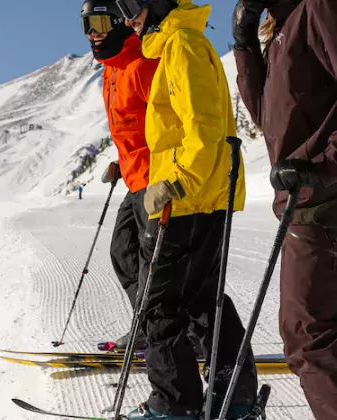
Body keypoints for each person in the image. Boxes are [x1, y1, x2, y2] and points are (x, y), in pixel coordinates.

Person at [113, 0, 258, 418]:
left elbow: (204, 126)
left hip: (187, 199)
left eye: (131, 5)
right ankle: (235, 397)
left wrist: (174, 182)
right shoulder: (182, 44)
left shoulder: (181, 46)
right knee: (200, 301)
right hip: (199, 196)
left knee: (158, 306)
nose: (127, 18)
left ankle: (173, 406)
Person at [232, 0, 337, 418]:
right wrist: (244, 44)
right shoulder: (284, 24)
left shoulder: (318, 8)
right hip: (308, 198)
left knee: (308, 339)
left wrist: (324, 166)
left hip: (320, 200)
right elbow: (267, 115)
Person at [81, 0, 159, 349]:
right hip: (134, 177)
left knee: (156, 267)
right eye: (86, 24)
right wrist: (120, 159)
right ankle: (148, 329)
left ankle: (171, 336)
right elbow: (133, 126)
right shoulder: (112, 70)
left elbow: (167, 125)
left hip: (157, 180)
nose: (93, 32)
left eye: (98, 21)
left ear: (120, 21)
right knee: (123, 251)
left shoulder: (142, 63)